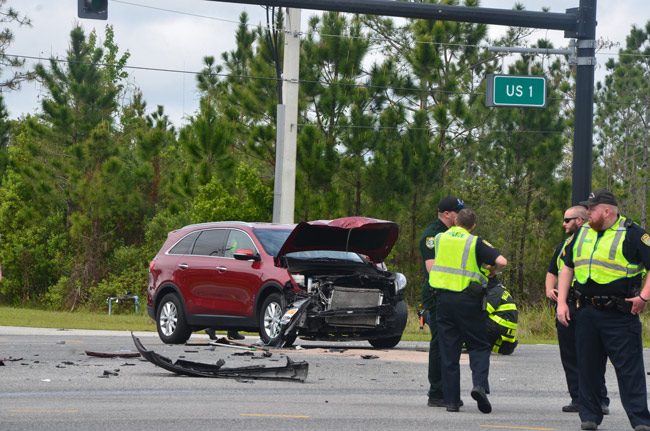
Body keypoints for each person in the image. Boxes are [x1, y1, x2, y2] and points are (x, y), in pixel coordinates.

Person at [556, 189, 650, 431]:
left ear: (607, 211)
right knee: (587, 367)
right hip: (586, 311)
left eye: (592, 209)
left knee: (629, 370)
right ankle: (589, 416)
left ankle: (640, 420)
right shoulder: (583, 233)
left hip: (620, 313)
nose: (587, 214)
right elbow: (567, 267)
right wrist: (562, 302)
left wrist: (644, 297)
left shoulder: (632, 233)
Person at [429, 208, 507, 413]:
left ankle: (452, 401)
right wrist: (492, 271)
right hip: (468, 300)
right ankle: (479, 385)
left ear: (455, 221)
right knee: (479, 345)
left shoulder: (439, 238)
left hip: (443, 300)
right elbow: (501, 261)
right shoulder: (474, 241)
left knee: (448, 350)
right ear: (473, 225)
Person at [545, 205, 609, 414]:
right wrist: (549, 290)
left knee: (594, 353)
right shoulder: (564, 245)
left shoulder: (592, 243)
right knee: (570, 353)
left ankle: (599, 399)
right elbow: (553, 270)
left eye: (567, 220)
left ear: (580, 221)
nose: (563, 224)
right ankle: (578, 398)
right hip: (567, 302)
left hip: (586, 302)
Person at [420, 195, 465, 407]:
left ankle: (449, 390)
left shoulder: (455, 234)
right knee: (440, 343)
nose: (462, 215)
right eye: (458, 211)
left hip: (454, 295)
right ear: (447, 214)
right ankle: (436, 391)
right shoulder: (432, 235)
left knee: (452, 343)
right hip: (437, 296)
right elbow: (432, 269)